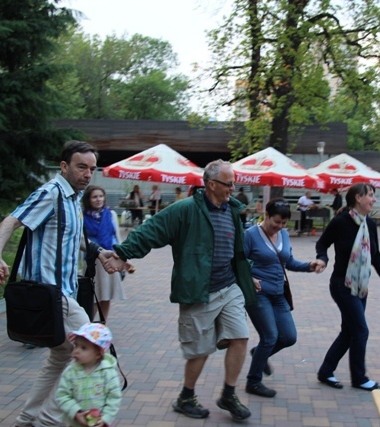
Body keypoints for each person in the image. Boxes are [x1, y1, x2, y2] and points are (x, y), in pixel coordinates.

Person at [102, 160, 256, 421]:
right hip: (198, 289)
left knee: (240, 337)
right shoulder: (185, 210)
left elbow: (237, 250)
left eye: (233, 183)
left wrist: (247, 275)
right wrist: (122, 253)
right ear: (210, 184)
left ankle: (228, 394)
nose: (233, 188)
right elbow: (152, 230)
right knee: (200, 349)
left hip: (229, 286)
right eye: (228, 183)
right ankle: (186, 397)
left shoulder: (232, 211)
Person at [0, 140, 104, 427]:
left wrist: (101, 254)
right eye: (81, 167)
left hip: (65, 293)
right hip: (51, 293)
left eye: (92, 169)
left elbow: (74, 238)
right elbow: (11, 221)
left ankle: (27, 419)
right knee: (94, 352)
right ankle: (49, 421)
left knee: (62, 355)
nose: (87, 174)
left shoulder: (74, 198)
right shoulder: (51, 193)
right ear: (64, 167)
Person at [315, 183, 380, 391]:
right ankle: (359, 378)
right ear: (358, 198)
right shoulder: (340, 222)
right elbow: (322, 243)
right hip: (341, 285)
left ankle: (326, 371)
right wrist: (322, 258)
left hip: (361, 286)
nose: (374, 199)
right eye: (371, 195)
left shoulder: (369, 224)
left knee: (349, 331)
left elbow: (375, 256)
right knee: (360, 330)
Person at [244, 198, 325, 398]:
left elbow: (288, 262)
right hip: (258, 293)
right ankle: (253, 381)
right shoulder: (250, 235)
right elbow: (237, 262)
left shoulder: (284, 235)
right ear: (266, 215)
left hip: (278, 293)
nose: (279, 227)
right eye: (276, 222)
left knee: (288, 337)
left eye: (283, 223)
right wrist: (250, 277)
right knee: (270, 337)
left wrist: (309, 265)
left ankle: (259, 354)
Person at [56, 323, 121, 427]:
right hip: (75, 423)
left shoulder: (108, 372)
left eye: (84, 348)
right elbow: (62, 395)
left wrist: (106, 418)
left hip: (99, 423)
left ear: (98, 353)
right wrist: (76, 413)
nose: (76, 351)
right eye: (76, 345)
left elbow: (114, 398)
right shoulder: (71, 371)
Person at [82, 185, 126, 321]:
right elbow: (81, 240)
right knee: (93, 296)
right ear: (88, 199)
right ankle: (88, 325)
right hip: (93, 260)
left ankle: (102, 325)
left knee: (107, 296)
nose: (98, 199)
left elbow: (117, 236)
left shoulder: (110, 214)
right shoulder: (82, 216)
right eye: (94, 197)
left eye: (101, 196)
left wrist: (122, 256)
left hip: (110, 258)